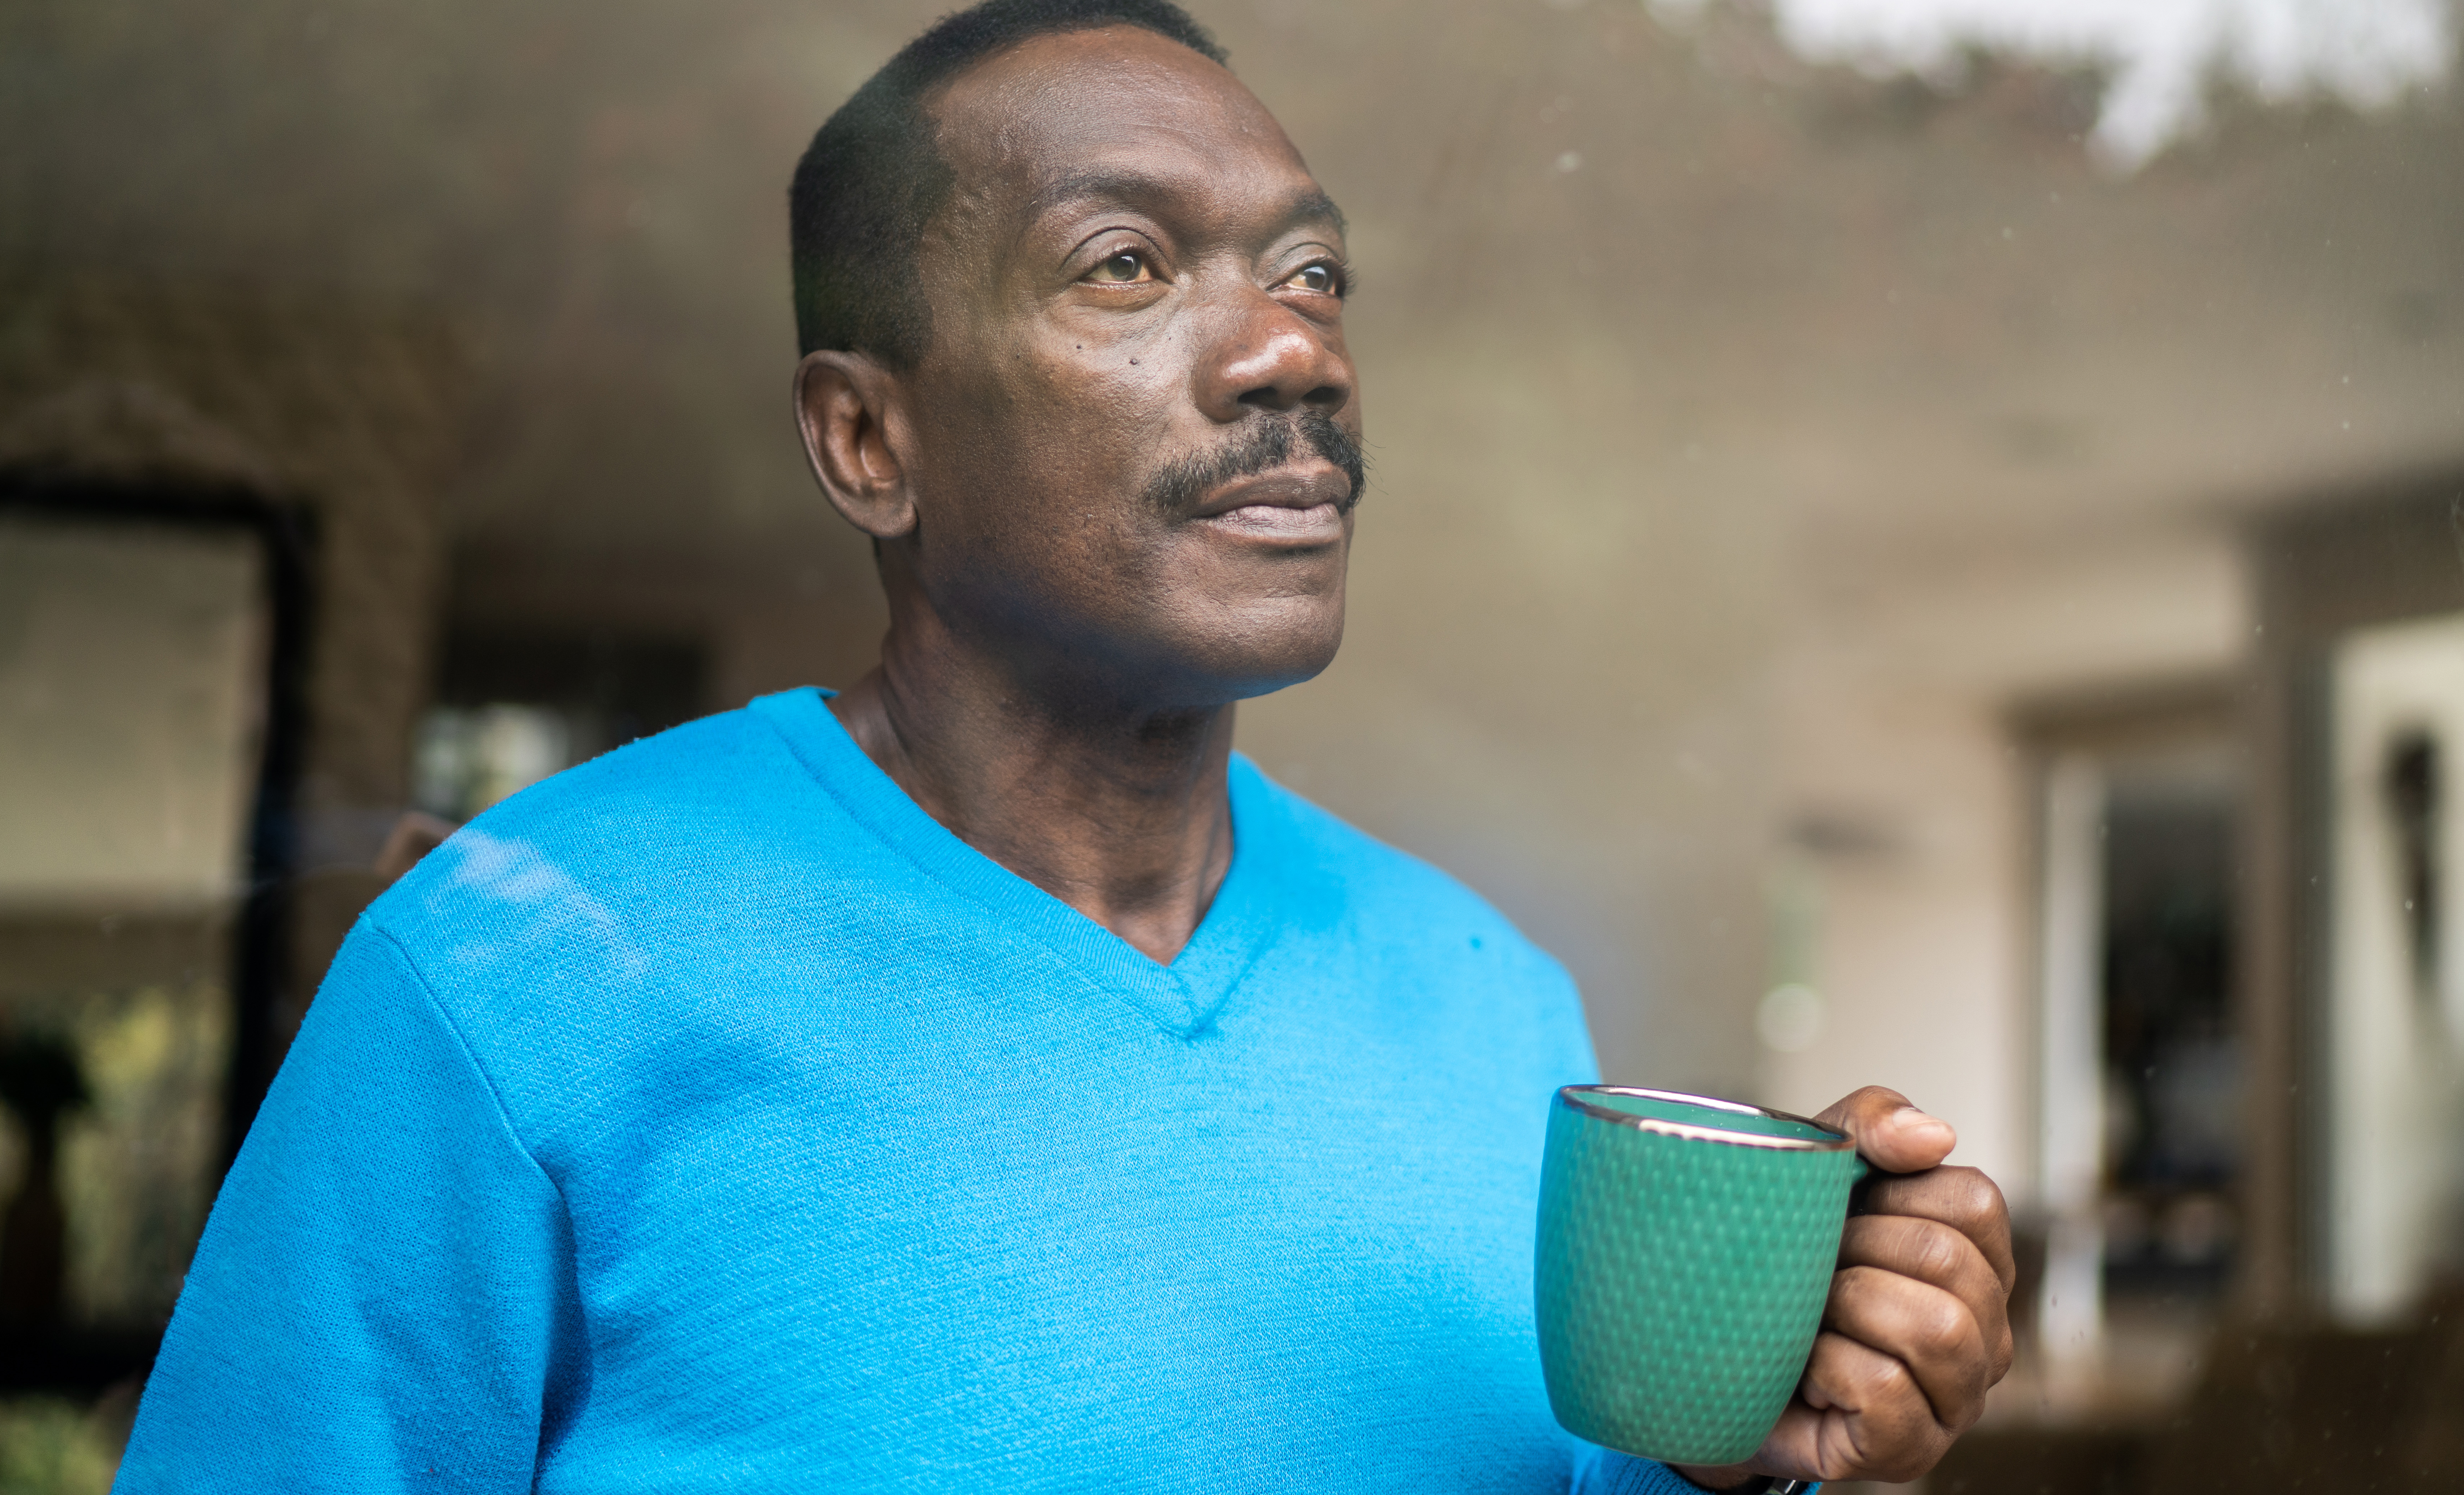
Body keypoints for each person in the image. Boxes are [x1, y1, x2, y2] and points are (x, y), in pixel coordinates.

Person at [116, 2, 2013, 1489]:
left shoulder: (1494, 1002)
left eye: (1315, 273)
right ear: (871, 442)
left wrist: (1740, 1444)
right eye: (1126, 266)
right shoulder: (516, 979)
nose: (1293, 353)